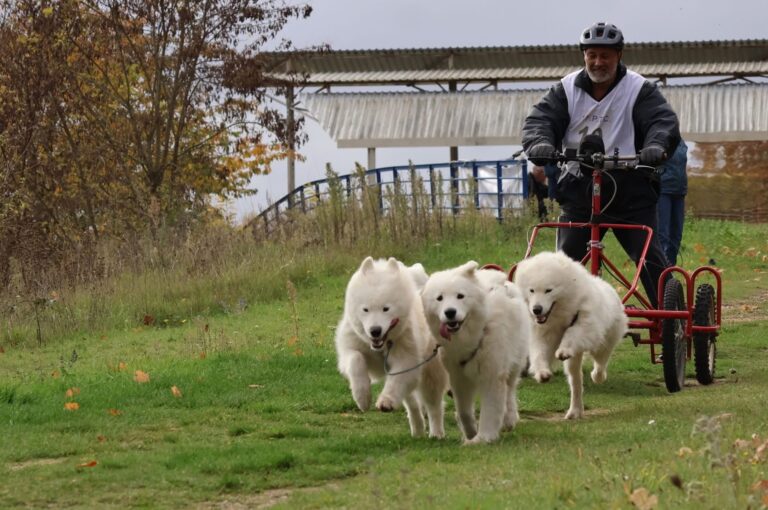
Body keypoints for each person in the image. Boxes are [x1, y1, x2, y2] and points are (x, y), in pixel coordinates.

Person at [521, 21, 681, 306]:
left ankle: (670, 320)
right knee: (563, 266)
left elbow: (661, 121)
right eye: (592, 55)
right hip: (580, 189)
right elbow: (540, 121)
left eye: (605, 55)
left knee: (649, 258)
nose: (598, 62)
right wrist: (539, 142)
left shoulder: (638, 88)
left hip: (629, 190)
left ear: (619, 55)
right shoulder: (566, 89)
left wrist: (656, 146)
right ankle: (552, 317)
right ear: (583, 55)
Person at [657, 140, 688, 266]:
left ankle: (670, 267)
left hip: (679, 191)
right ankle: (660, 268)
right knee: (663, 233)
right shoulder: (659, 138)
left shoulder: (681, 142)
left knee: (676, 234)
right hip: (663, 189)